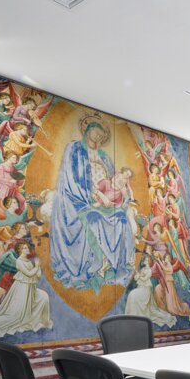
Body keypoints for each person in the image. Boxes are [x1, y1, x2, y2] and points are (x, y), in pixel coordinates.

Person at [50, 118, 134, 291]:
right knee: (93, 218)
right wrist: (90, 196)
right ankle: (94, 265)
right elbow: (69, 177)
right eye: (97, 134)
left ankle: (114, 266)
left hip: (104, 203)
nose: (98, 140)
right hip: (78, 200)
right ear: (88, 130)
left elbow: (115, 184)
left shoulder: (105, 157)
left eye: (102, 138)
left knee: (121, 219)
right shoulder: (74, 149)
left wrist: (119, 200)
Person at [124, 254, 176, 327]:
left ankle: (135, 316)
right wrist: (135, 272)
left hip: (145, 290)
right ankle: (132, 316)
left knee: (132, 295)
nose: (145, 261)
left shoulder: (149, 270)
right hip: (140, 288)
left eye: (147, 260)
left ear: (149, 261)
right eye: (145, 260)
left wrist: (138, 275)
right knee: (131, 295)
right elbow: (136, 278)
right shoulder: (143, 269)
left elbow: (145, 279)